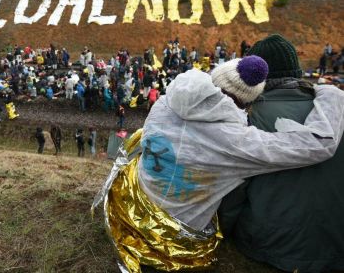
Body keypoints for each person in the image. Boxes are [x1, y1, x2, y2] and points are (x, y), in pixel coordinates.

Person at [93, 55, 344, 273]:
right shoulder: (238, 143)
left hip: (127, 203)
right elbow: (318, 145)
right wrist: (329, 94)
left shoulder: (167, 100)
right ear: (248, 102)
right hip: (170, 239)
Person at [220, 34, 344, 273]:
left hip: (272, 246)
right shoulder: (335, 107)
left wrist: (224, 230)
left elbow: (232, 191)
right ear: (296, 70)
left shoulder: (246, 119)